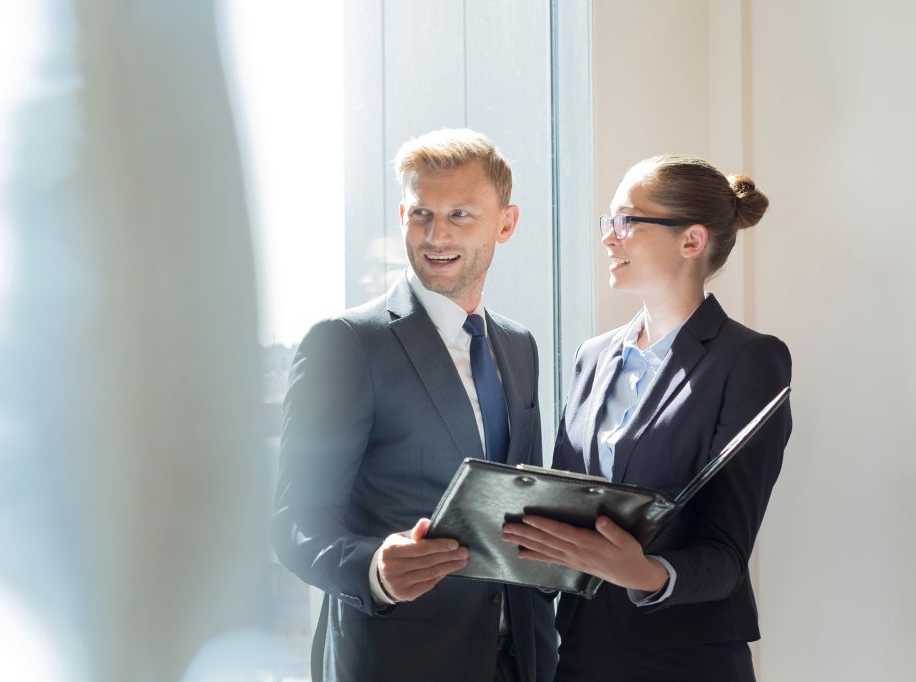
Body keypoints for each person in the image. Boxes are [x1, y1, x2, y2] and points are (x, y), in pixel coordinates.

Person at [272, 128, 558, 681]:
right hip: (396, 662)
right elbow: (296, 525)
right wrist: (377, 569)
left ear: (506, 223)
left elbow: (520, 500)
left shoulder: (519, 345)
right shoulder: (346, 343)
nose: (436, 235)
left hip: (520, 660)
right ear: (403, 213)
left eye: (459, 215)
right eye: (421, 214)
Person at [501, 154, 792, 681]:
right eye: (607, 222)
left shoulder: (750, 360)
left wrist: (646, 573)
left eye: (627, 221)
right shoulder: (592, 357)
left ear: (691, 241)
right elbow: (566, 505)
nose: (609, 238)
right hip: (584, 652)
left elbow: (726, 553)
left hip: (686, 660)